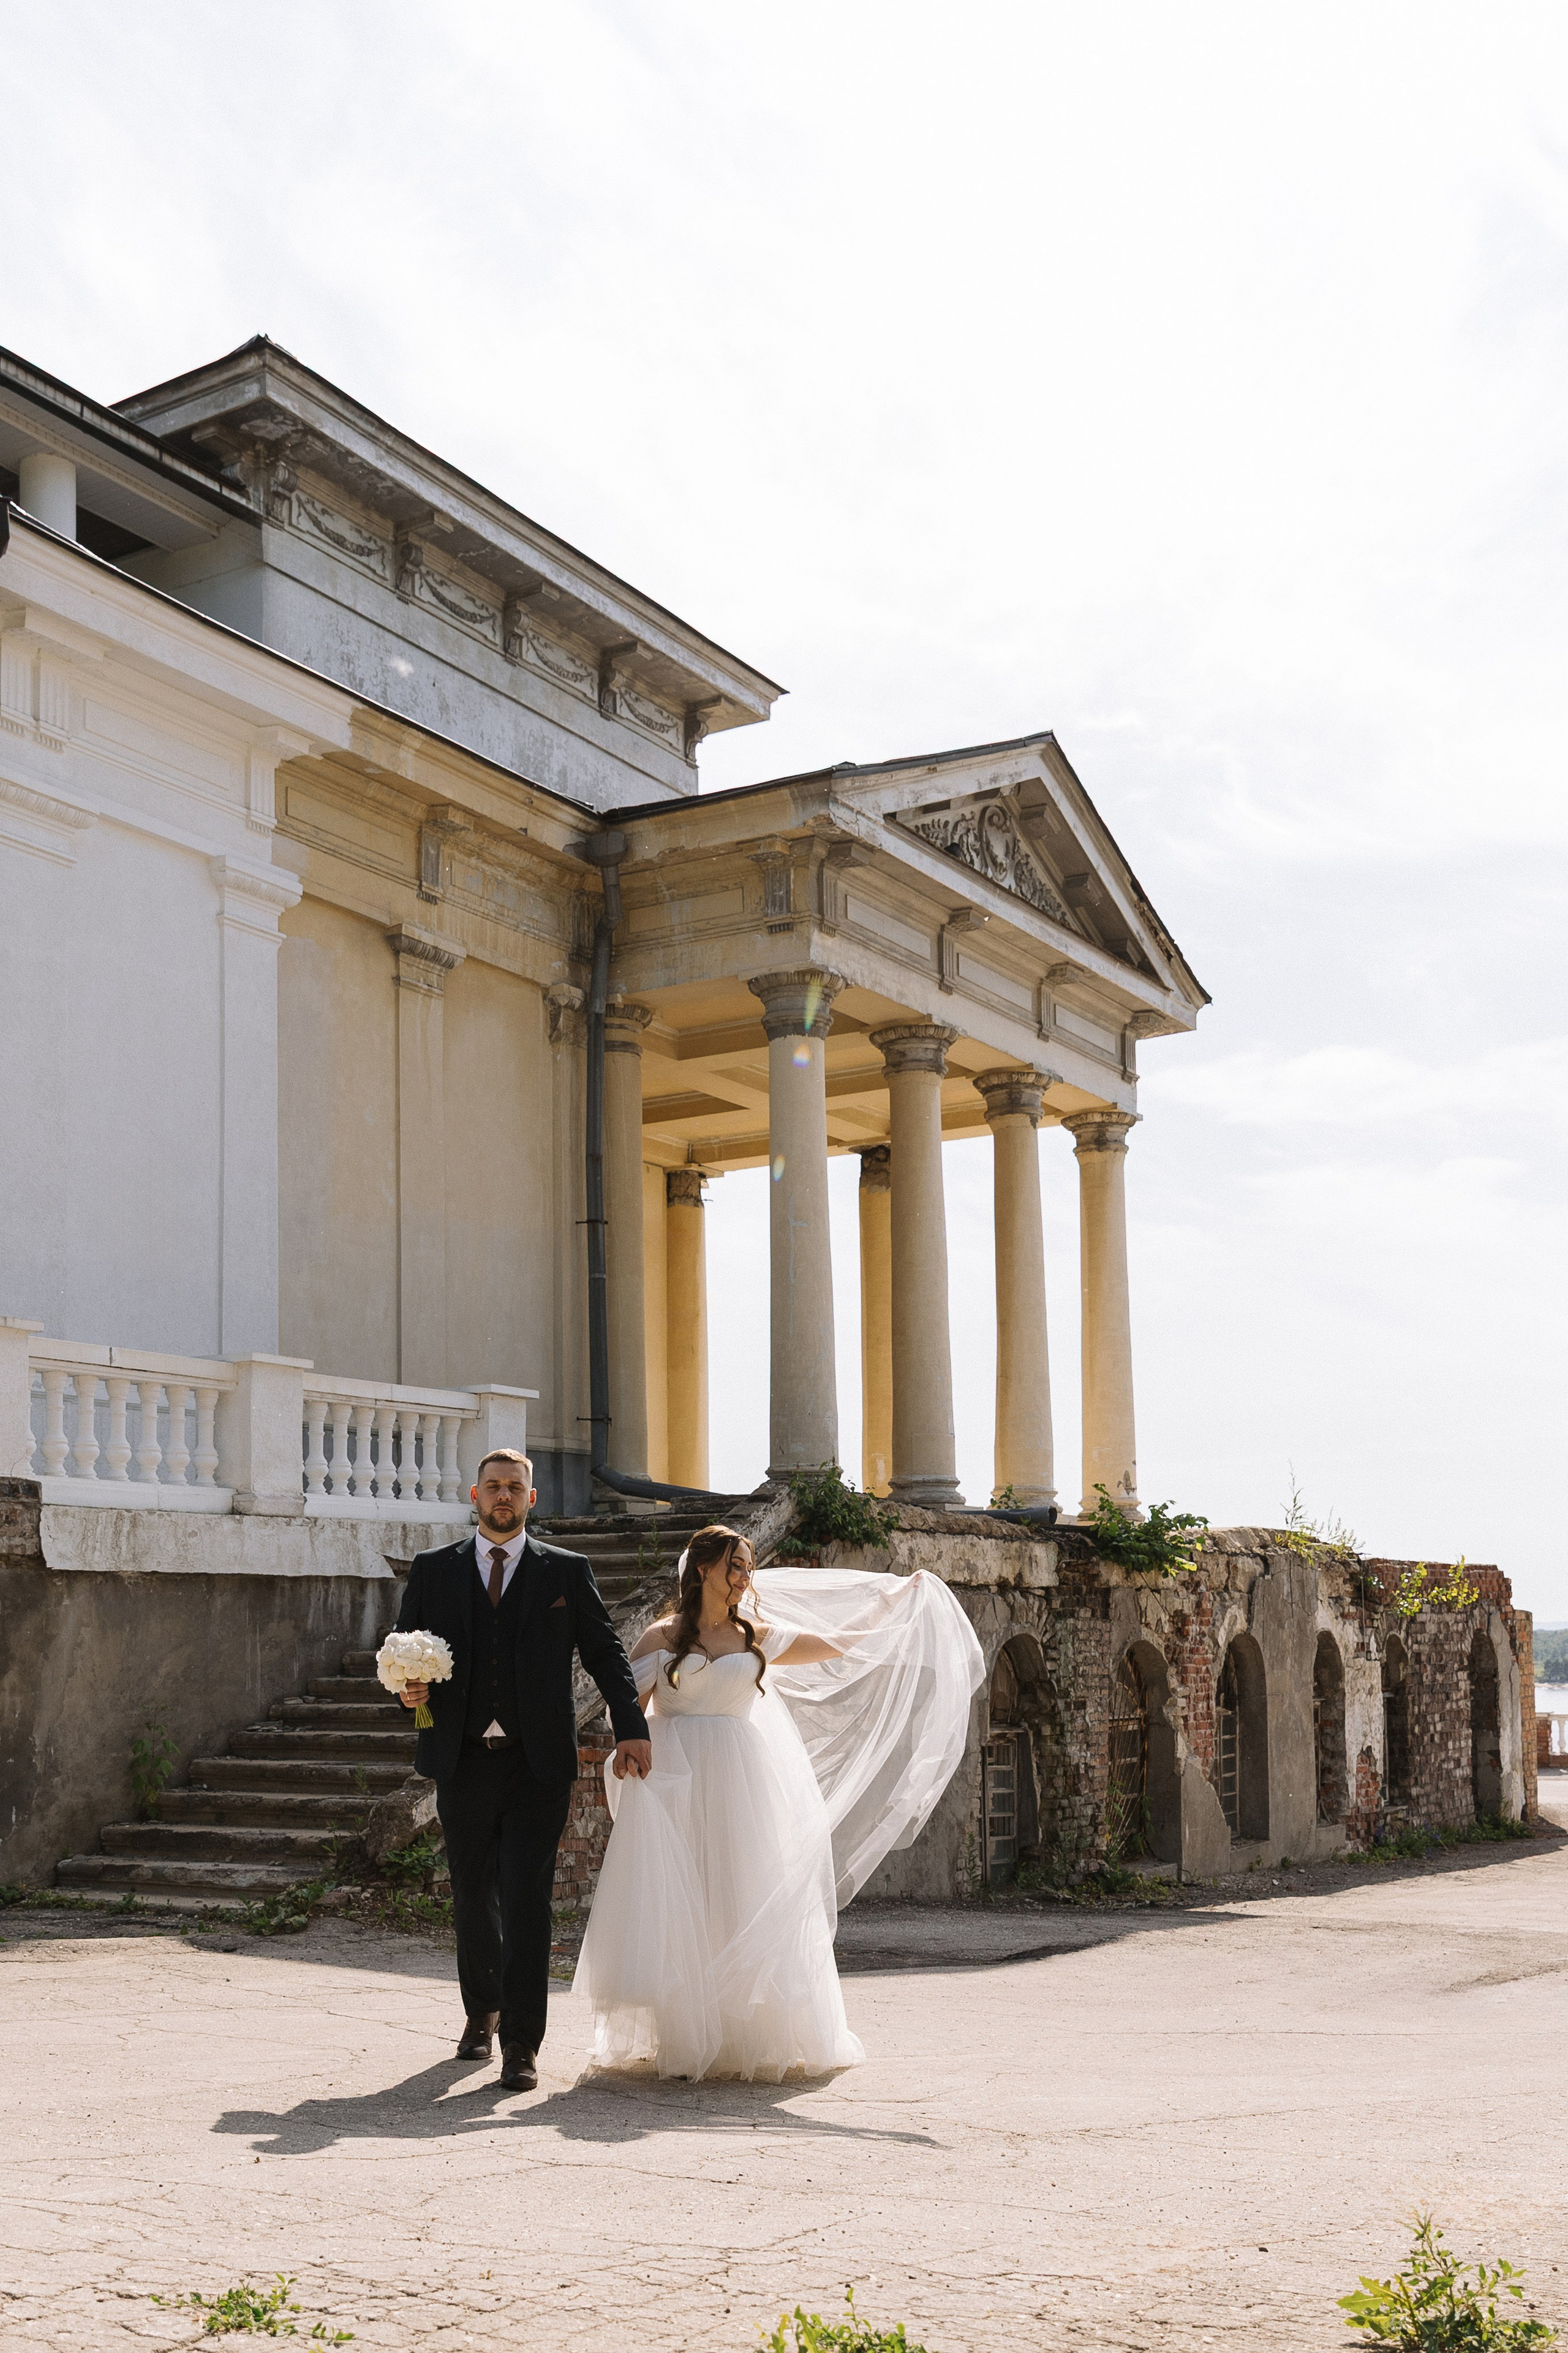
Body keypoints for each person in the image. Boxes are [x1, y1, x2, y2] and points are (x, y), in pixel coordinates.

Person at [575, 1522, 984, 2082]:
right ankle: (686, 2035)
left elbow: (836, 1644)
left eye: (748, 1567)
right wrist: (631, 1749)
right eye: (735, 1565)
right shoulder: (662, 1637)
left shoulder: (755, 1636)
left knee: (741, 1893)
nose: (744, 1577)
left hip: (741, 1777)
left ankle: (740, 2032)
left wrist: (890, 1604)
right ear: (703, 1568)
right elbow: (628, 1708)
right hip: (676, 1776)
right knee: (684, 1897)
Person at [391, 1449, 650, 2091]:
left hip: (537, 1764)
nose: (503, 1495)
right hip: (461, 1760)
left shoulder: (566, 1570)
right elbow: (403, 1654)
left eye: (514, 1487)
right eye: (493, 1486)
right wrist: (408, 1692)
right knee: (472, 1893)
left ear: (531, 1499)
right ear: (475, 1495)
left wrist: (631, 1725)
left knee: (528, 1900)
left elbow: (605, 1652)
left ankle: (521, 2043)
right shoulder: (433, 1569)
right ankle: (481, 2010)